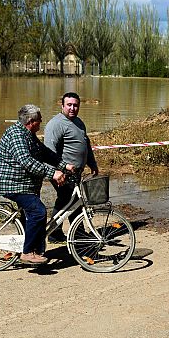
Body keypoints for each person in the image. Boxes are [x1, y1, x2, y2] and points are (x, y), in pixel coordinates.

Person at [0, 104, 74, 265]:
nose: (41, 121)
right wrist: (53, 173)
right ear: (30, 121)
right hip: (14, 184)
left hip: (25, 184)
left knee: (30, 217)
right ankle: (28, 252)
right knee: (38, 212)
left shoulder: (28, 134)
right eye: (39, 119)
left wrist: (64, 165)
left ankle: (34, 248)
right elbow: (27, 162)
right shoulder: (16, 135)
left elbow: (45, 153)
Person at [44, 92, 99, 243]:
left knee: (70, 202)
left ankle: (68, 233)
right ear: (62, 106)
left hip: (75, 173)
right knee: (70, 201)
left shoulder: (79, 122)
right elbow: (48, 151)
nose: (72, 108)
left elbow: (85, 144)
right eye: (69, 105)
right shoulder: (56, 124)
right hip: (61, 173)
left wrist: (92, 163)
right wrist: (56, 172)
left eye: (75, 105)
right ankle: (67, 234)